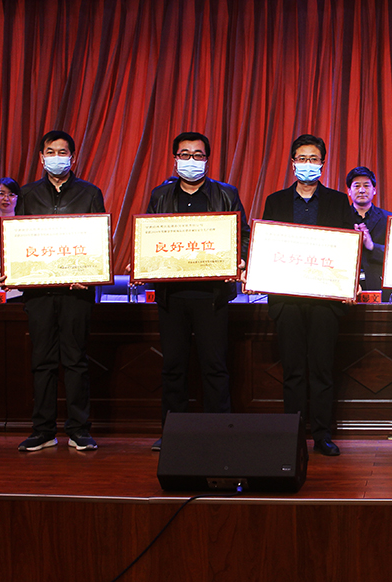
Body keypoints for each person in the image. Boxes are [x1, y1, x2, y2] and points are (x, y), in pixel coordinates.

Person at [145, 132, 251, 451]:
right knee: (173, 367)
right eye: (185, 154)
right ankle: (173, 432)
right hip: (172, 296)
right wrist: (143, 263)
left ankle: (220, 431)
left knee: (214, 366)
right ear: (174, 158)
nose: (191, 161)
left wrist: (240, 258)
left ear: (207, 159)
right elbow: (148, 236)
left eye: (198, 155)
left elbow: (243, 234)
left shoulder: (226, 193)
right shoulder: (160, 195)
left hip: (212, 295)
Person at [262, 134, 355, 456]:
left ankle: (322, 435)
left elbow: (347, 246)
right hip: (287, 301)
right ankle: (293, 434)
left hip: (324, 302)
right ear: (292, 164)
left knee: (322, 370)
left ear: (323, 164)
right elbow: (266, 247)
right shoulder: (275, 201)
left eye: (313, 159)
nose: (307, 164)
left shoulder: (338, 202)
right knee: (293, 371)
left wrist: (348, 283)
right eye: (302, 159)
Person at [15, 130, 105, 452]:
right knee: (42, 361)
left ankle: (79, 430)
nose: (57, 157)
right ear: (41, 158)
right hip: (39, 292)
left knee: (76, 360)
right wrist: (13, 269)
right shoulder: (27, 194)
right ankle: (43, 430)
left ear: (73, 157)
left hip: (76, 292)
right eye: (50, 152)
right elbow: (20, 239)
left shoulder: (90, 193)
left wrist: (92, 275)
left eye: (62, 152)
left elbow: (98, 240)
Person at [347, 166, 392, 294]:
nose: (362, 190)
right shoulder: (341, 217)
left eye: (366, 186)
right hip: (347, 286)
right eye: (356, 186)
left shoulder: (389, 219)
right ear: (349, 191)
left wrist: (372, 246)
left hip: (380, 287)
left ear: (374, 190)